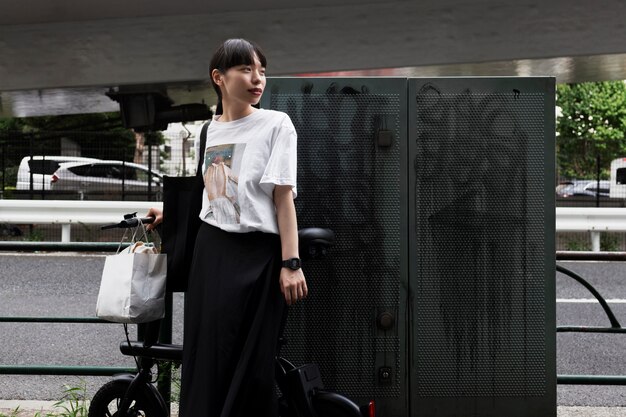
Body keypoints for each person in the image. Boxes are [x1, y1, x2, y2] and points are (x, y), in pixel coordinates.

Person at [146, 38, 307, 417]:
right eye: (246, 69)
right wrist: (168, 214)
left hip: (257, 258)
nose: (257, 79)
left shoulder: (275, 125)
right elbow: (216, 192)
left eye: (261, 71)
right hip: (212, 253)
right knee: (206, 359)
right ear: (219, 77)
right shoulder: (208, 132)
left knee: (253, 364)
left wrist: (291, 263)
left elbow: (283, 198)